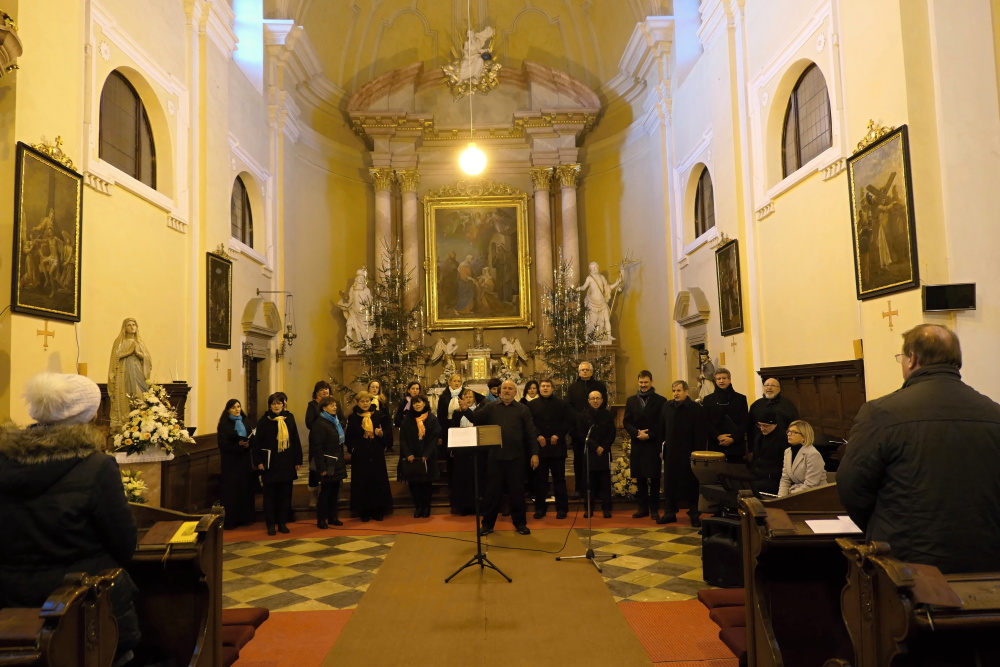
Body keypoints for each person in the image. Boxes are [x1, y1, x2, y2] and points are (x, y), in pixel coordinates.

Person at [0, 372, 140, 665]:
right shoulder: (96, 466)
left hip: (10, 602)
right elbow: (124, 543)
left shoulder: (4, 460)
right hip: (83, 604)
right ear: (88, 415)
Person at [838, 324, 1000, 573]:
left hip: (906, 562)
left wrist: (883, 525)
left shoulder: (880, 413)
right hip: (986, 561)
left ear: (912, 358)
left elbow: (852, 486)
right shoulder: (994, 414)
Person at [457, 380, 540, 535]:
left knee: (517, 493)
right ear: (500, 392)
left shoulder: (523, 409)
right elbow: (476, 418)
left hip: (516, 457)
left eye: (510, 388)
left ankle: (520, 524)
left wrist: (535, 453)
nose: (507, 391)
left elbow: (530, 433)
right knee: (492, 494)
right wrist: (466, 410)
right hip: (495, 457)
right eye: (504, 388)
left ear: (515, 392)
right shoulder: (491, 407)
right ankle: (487, 525)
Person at [250, 392, 303, 536]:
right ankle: (270, 524)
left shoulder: (289, 418)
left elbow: (295, 439)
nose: (276, 406)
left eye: (279, 403)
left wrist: (298, 460)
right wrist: (258, 462)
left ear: (283, 404)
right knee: (270, 496)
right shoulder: (264, 421)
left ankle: (282, 523)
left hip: (286, 462)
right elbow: (257, 443)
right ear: (269, 406)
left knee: (285, 495)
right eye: (273, 403)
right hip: (270, 463)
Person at [659, 380, 709, 526]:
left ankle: (694, 513)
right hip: (671, 453)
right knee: (670, 483)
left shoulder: (696, 409)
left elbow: (701, 434)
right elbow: (661, 429)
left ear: (686, 391)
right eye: (674, 391)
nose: (676, 393)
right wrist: (660, 449)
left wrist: (697, 453)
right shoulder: (667, 406)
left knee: (691, 484)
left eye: (679, 390)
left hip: (689, 453)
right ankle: (670, 512)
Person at [623, 370, 668, 520]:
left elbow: (662, 423)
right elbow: (626, 421)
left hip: (653, 443)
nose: (643, 385)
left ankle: (654, 509)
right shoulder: (631, 400)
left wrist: (649, 435)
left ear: (651, 382)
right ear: (638, 382)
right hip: (638, 443)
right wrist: (636, 432)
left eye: (646, 382)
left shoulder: (661, 400)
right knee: (640, 477)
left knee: (654, 478)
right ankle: (642, 508)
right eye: (641, 382)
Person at [527, 379, 573, 519]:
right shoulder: (531, 405)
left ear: (553, 388)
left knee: (559, 480)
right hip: (540, 448)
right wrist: (538, 435)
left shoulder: (562, 404)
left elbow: (567, 421)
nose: (545, 388)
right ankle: (540, 509)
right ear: (539, 389)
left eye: (548, 386)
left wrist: (558, 435)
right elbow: (529, 423)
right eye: (543, 386)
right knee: (540, 480)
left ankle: (562, 509)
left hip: (557, 447)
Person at [346, 391, 393, 522]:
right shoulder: (353, 417)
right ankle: (364, 511)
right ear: (357, 403)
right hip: (360, 455)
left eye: (367, 401)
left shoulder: (379, 415)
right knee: (362, 482)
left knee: (377, 481)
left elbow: (388, 432)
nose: (365, 404)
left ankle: (379, 510)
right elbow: (349, 437)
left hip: (376, 453)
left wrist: (381, 434)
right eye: (362, 401)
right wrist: (354, 449)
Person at [566, 361, 608, 498]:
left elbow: (603, 404)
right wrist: (580, 417)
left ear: (592, 371)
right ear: (578, 372)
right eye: (582, 370)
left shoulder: (599, 386)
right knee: (579, 459)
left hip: (596, 428)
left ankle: (598, 489)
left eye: (587, 369)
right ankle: (580, 488)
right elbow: (569, 406)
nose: (584, 371)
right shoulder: (573, 387)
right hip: (578, 429)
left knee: (597, 459)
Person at [398, 394, 442, 518]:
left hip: (427, 457)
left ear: (424, 403)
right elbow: (403, 439)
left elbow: (435, 438)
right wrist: (408, 453)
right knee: (414, 484)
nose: (417, 405)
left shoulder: (432, 418)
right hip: (412, 457)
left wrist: (427, 454)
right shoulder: (407, 418)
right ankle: (418, 507)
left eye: (419, 402)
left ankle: (426, 508)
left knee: (426, 485)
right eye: (414, 403)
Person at [575, 390, 616, 518]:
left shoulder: (607, 414)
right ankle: (588, 508)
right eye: (593, 399)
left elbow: (612, 433)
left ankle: (607, 508)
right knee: (589, 482)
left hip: (604, 452)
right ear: (588, 401)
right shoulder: (582, 416)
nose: (595, 401)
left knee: (605, 482)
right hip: (590, 452)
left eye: (598, 398)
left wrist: (603, 447)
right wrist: (595, 446)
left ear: (602, 400)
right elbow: (581, 434)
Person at [216, 399, 256, 529]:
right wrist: (237, 445)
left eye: (238, 406)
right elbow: (223, 444)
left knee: (245, 487)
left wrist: (249, 444)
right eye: (233, 407)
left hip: (244, 460)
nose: (237, 409)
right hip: (231, 462)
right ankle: (232, 520)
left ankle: (246, 517)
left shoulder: (246, 421)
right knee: (232, 490)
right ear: (228, 410)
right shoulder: (224, 424)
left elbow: (253, 438)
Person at [108, 317, 153, 431]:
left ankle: (139, 418)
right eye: (129, 325)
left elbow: (147, 359)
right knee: (125, 395)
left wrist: (137, 353)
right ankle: (124, 421)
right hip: (123, 373)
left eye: (134, 325)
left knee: (139, 393)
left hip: (137, 372)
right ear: (124, 328)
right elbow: (115, 358)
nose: (132, 327)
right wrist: (127, 352)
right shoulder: (119, 342)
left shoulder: (139, 343)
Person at [448, 387, 487, 516]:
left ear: (475, 399)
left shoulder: (480, 412)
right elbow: (453, 429)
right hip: (462, 451)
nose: (468, 399)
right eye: (466, 397)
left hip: (477, 451)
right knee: (462, 479)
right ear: (461, 399)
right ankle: (463, 506)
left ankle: (478, 506)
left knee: (477, 479)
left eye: (471, 397)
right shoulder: (457, 413)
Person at [310, 396, 347, 528]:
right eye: (332, 405)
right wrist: (322, 467)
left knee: (335, 492)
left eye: (335, 405)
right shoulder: (320, 423)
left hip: (337, 461)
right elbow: (317, 447)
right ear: (324, 408)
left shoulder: (335, 421)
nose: (335, 407)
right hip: (327, 463)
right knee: (325, 492)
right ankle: (321, 519)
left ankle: (333, 517)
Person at [701, 367, 749, 462]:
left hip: (736, 445)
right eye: (718, 379)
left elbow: (745, 422)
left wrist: (733, 438)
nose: (721, 381)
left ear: (729, 379)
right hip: (715, 444)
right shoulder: (708, 399)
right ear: (715, 381)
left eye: (724, 378)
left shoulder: (740, 399)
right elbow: (706, 422)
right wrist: (718, 436)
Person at [576, 261, 622, 343]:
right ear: (590, 269)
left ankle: (609, 335)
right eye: (593, 268)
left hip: (602, 302)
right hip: (593, 302)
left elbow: (608, 288)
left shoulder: (601, 277)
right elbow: (584, 287)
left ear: (598, 268)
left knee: (606, 319)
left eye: (596, 267)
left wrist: (617, 283)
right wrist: (578, 288)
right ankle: (592, 337)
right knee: (593, 321)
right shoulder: (589, 278)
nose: (594, 269)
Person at [777, 420, 825, 497]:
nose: (789, 434)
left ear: (804, 436)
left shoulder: (813, 454)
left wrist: (790, 496)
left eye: (793, 432)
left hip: (815, 495)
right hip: (796, 494)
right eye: (788, 431)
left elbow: (811, 485)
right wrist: (780, 498)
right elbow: (785, 479)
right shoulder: (788, 451)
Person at [746, 411, 787, 495]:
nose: (762, 428)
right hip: (756, 475)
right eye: (760, 425)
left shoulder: (783, 438)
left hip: (772, 479)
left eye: (765, 425)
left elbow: (784, 464)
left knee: (751, 488)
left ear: (774, 424)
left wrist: (770, 474)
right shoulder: (759, 436)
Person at [305, 380, 333, 490]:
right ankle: (314, 493)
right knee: (315, 466)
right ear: (316, 393)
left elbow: (341, 419)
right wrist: (323, 428)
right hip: (317, 439)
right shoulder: (312, 405)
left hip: (331, 440)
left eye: (326, 388)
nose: (325, 391)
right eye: (321, 389)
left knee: (332, 465)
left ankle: (332, 491)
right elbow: (309, 423)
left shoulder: (334, 403)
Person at [338, 268, 372, 354]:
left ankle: (364, 345)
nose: (360, 280)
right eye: (358, 278)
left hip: (363, 313)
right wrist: (345, 302)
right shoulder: (352, 289)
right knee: (349, 326)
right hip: (353, 311)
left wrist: (365, 308)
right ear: (356, 279)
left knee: (363, 330)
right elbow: (350, 300)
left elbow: (369, 302)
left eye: (362, 278)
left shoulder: (366, 290)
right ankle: (348, 344)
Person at [366, 379, 393, 452]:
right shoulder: (366, 399)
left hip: (381, 423)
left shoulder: (382, 399)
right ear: (369, 388)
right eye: (372, 387)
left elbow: (386, 414)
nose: (374, 389)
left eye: (377, 387)